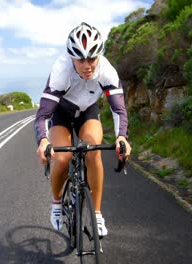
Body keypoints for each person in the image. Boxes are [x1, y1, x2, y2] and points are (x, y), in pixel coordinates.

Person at [34, 22, 132, 237]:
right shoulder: (61, 71)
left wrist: (122, 137)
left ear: (99, 56)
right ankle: (57, 203)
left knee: (93, 151)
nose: (87, 65)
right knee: (62, 157)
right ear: (71, 58)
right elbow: (42, 115)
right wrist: (43, 140)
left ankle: (96, 214)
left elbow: (119, 110)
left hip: (87, 112)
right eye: (81, 60)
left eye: (92, 58)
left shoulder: (106, 71)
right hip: (62, 112)